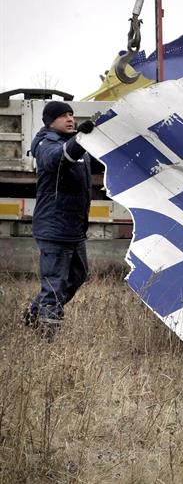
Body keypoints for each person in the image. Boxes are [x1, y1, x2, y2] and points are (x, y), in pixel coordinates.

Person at [24, 101, 95, 339]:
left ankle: (34, 315)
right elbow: (58, 160)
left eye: (72, 115)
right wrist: (80, 139)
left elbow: (100, 160)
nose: (70, 119)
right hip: (54, 228)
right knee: (54, 284)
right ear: (50, 121)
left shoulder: (74, 145)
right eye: (64, 115)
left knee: (78, 275)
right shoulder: (46, 144)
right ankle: (46, 336)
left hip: (73, 228)